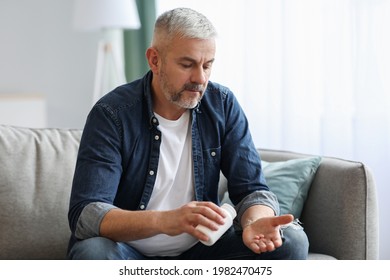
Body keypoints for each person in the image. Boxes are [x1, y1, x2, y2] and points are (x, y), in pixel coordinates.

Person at [67, 7, 309, 260]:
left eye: (207, 65)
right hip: (128, 251)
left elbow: (251, 189)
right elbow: (87, 214)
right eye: (187, 64)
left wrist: (255, 222)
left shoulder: (222, 104)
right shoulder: (112, 113)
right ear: (154, 60)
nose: (200, 78)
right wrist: (165, 221)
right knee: (93, 253)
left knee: (292, 241)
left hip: (202, 249)